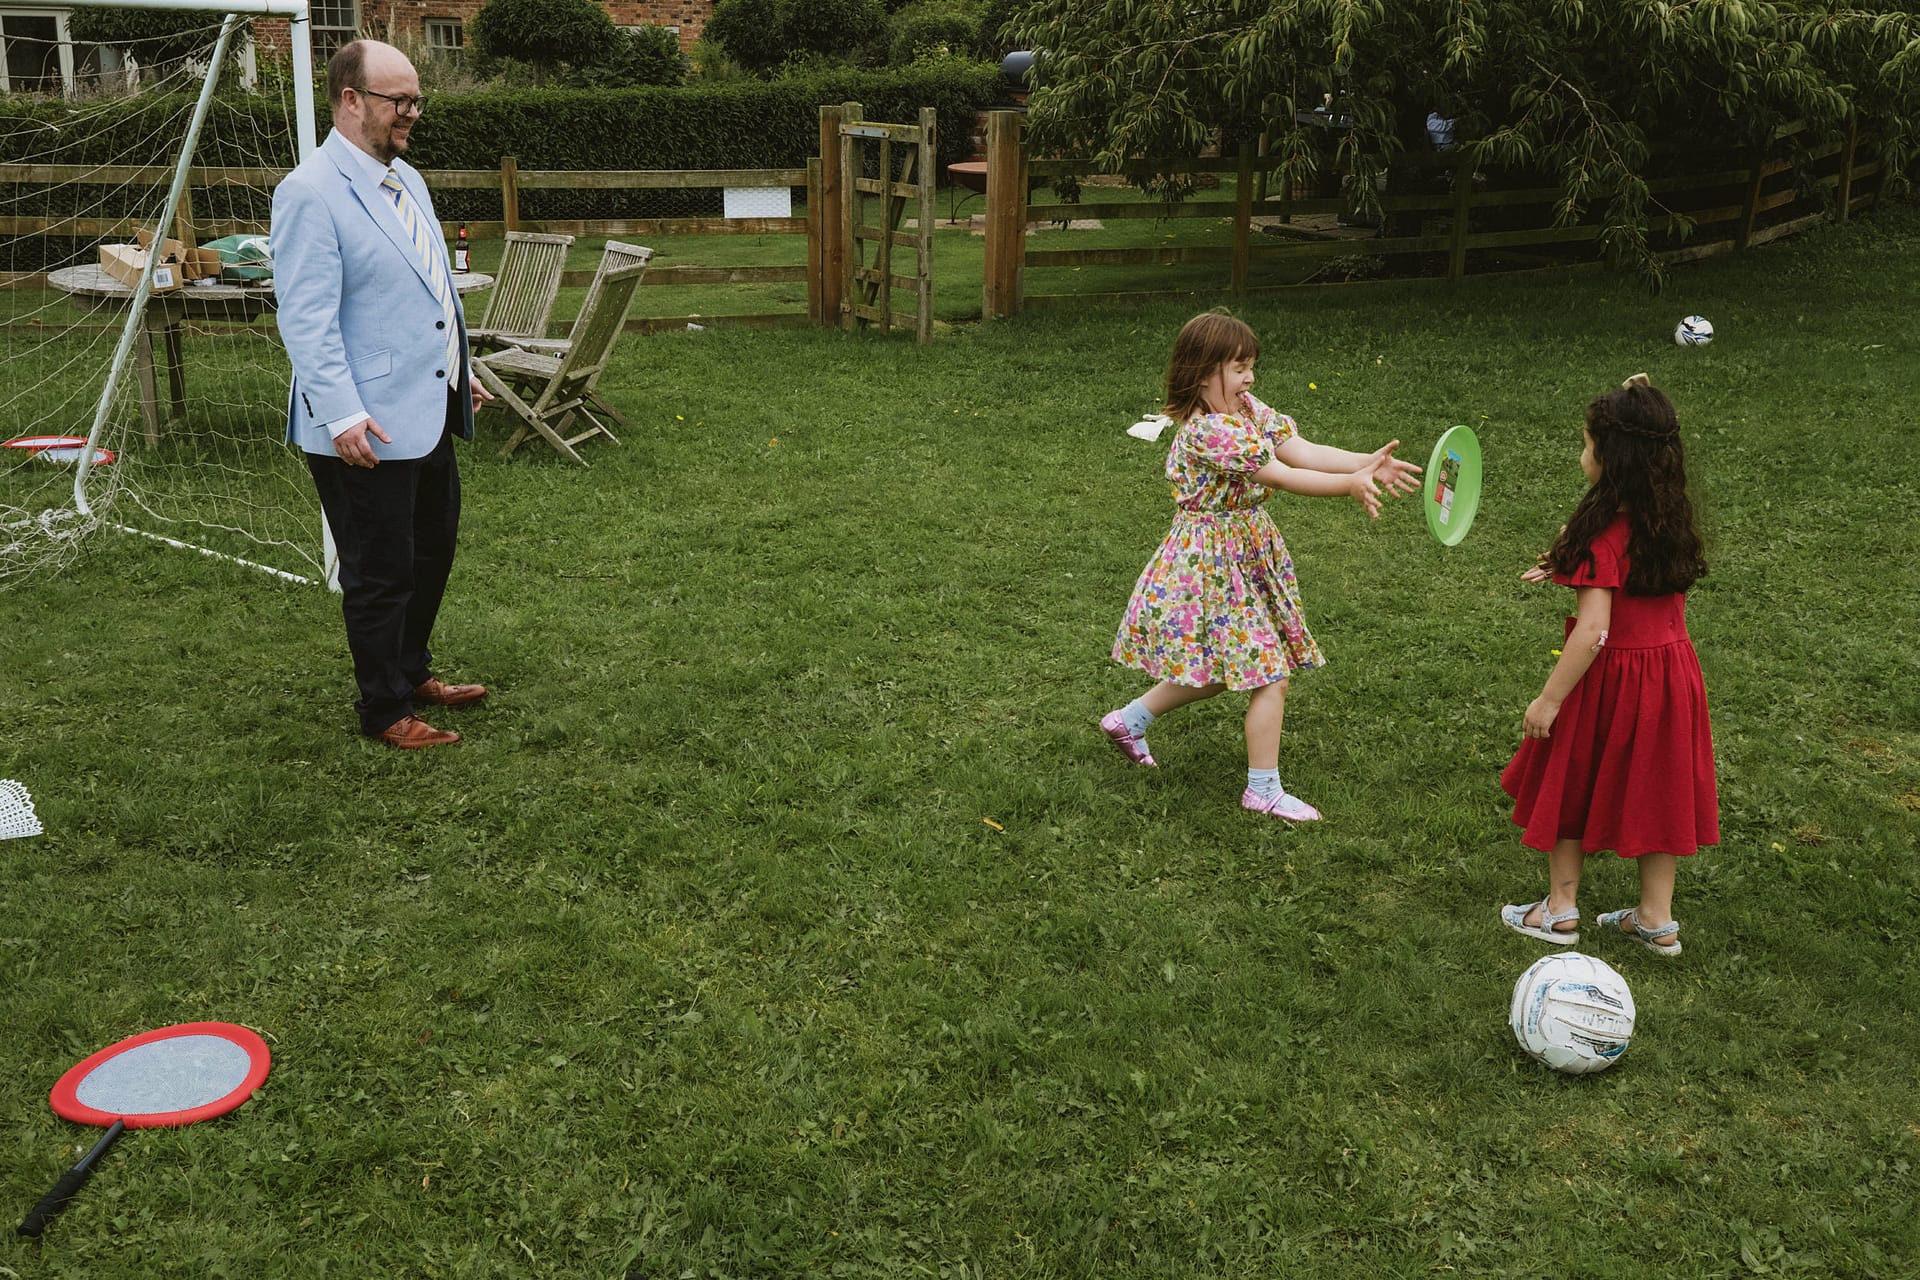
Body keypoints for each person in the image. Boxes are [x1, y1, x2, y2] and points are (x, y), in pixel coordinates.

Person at [1102, 311, 1422, 821]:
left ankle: (1128, 720)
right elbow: (1284, 474)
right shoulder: (1210, 432)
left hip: (1244, 548)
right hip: (1209, 562)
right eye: (1238, 367)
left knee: (1222, 666)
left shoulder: (1246, 409)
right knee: (1269, 672)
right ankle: (1262, 789)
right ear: (1203, 371)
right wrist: (1350, 485)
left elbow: (1301, 449)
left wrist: (1367, 462)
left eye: (1251, 366)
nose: (1249, 377)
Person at [272, 40, 493, 749]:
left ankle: (412, 670)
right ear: (350, 100)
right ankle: (384, 710)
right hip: (362, 427)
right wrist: (342, 413)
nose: (413, 114)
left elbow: (429, 291)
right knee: (379, 572)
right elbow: (306, 319)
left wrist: (461, 370)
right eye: (400, 101)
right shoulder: (310, 192)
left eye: (417, 100)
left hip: (426, 412)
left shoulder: (406, 180)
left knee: (431, 553)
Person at [1499, 375, 1719, 956]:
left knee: (1571, 781)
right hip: (1672, 679)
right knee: (1657, 787)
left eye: (1587, 445)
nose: (1582, 455)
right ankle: (1655, 919)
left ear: (1611, 459)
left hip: (1609, 681)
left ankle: (1560, 910)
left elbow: (1595, 631)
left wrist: (1549, 699)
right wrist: (1569, 561)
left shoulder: (1603, 537)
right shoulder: (1668, 523)